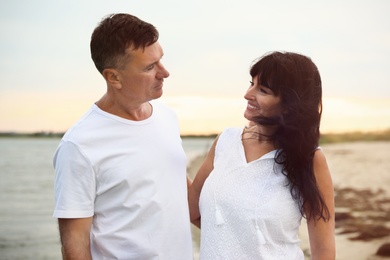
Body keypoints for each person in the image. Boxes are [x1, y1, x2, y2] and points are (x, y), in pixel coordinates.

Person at [53, 13, 193, 259]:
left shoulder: (167, 118)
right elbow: (75, 244)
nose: (165, 72)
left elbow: (183, 197)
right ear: (113, 77)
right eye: (150, 67)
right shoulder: (79, 145)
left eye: (160, 60)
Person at [188, 51, 335, 259]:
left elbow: (324, 252)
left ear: (289, 105)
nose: (248, 94)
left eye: (263, 90)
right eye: (252, 84)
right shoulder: (226, 141)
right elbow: (192, 210)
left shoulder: (310, 159)